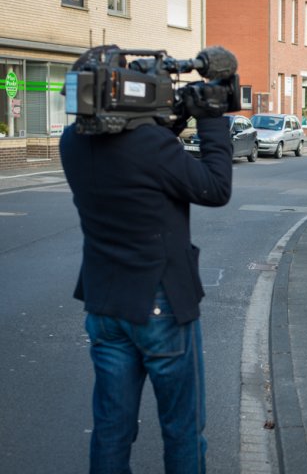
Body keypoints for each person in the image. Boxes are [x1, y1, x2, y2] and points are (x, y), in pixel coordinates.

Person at [60, 45, 234, 473]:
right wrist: (211, 120)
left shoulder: (71, 142)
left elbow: (136, 154)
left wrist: (170, 119)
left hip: (104, 303)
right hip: (160, 306)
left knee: (112, 428)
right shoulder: (150, 145)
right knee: (181, 428)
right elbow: (215, 188)